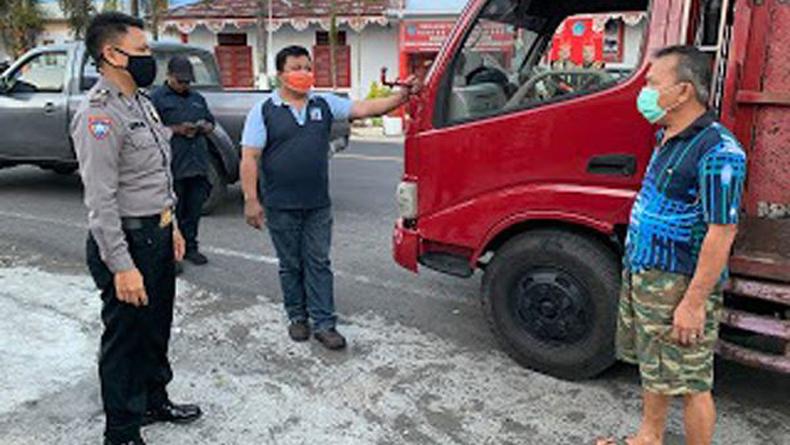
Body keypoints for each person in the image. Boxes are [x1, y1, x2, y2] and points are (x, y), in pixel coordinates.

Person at [596, 46, 746, 445]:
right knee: (655, 363)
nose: (643, 91)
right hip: (646, 273)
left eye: (651, 83)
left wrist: (693, 303)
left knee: (692, 381)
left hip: (679, 282)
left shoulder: (719, 151)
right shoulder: (668, 135)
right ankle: (650, 437)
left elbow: (722, 232)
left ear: (682, 92)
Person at [72, 12, 202, 445]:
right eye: (142, 50)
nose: (150, 59)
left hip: (159, 233)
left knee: (156, 326)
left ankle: (153, 400)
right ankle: (122, 431)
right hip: (127, 241)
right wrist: (121, 265)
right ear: (111, 54)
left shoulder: (141, 103)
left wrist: (175, 227)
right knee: (125, 338)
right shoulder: (100, 115)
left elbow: (157, 175)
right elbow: (100, 200)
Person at [240, 45, 420, 350]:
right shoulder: (264, 111)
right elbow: (249, 158)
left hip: (317, 204)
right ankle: (297, 317)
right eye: (296, 67)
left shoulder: (323, 104)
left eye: (308, 67)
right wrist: (250, 200)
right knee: (290, 264)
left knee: (318, 262)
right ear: (281, 75)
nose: (304, 74)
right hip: (280, 204)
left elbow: (364, 108)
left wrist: (402, 97)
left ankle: (324, 323)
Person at [151, 55, 216, 266]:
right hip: (173, 166)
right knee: (172, 216)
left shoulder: (197, 98)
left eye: (188, 81)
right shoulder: (157, 99)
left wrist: (205, 127)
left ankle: (190, 248)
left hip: (197, 165)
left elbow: (211, 122)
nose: (184, 85)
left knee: (193, 210)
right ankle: (170, 256)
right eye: (180, 81)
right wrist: (177, 130)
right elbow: (150, 130)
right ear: (169, 76)